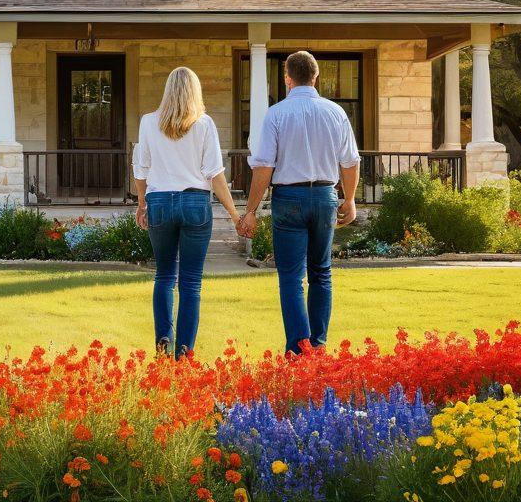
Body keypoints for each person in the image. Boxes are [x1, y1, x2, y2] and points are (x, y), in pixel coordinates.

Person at [240, 51, 360, 354]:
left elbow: (264, 167)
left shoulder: (276, 114)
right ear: (316, 77)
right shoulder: (335, 112)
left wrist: (251, 210)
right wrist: (350, 199)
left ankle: (298, 349)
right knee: (321, 272)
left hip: (289, 198)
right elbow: (350, 161)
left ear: (287, 79)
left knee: (292, 277)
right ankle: (317, 346)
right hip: (324, 196)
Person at [133, 66, 247, 357]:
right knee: (191, 282)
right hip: (195, 203)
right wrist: (235, 214)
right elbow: (215, 174)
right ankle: (184, 353)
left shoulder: (148, 122)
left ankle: (163, 343)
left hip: (160, 202)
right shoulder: (204, 124)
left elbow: (141, 169)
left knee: (164, 275)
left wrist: (142, 203)